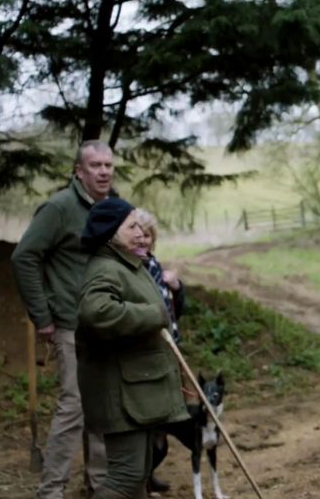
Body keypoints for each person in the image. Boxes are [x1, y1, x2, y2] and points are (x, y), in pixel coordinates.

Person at [12, 139, 113, 497]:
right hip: (71, 325)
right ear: (79, 171)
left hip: (105, 324)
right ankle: (51, 490)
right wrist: (42, 317)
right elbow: (24, 258)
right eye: (95, 166)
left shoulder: (111, 208)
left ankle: (99, 485)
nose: (103, 172)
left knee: (102, 406)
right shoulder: (58, 207)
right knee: (74, 408)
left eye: (108, 166)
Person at [76, 198, 190, 499]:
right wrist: (155, 314)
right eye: (132, 226)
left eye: (141, 225)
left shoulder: (126, 263)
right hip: (121, 394)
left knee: (138, 474)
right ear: (112, 232)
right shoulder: (105, 269)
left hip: (135, 391)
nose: (140, 232)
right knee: (125, 476)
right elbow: (96, 313)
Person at [131, 209, 187, 494]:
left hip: (169, 352)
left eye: (147, 234)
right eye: (136, 232)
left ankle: (148, 474)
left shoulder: (154, 265)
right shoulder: (130, 269)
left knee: (163, 427)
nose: (142, 239)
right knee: (148, 425)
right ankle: (138, 481)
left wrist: (177, 288)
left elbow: (178, 310)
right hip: (146, 356)